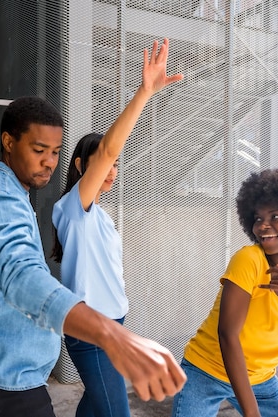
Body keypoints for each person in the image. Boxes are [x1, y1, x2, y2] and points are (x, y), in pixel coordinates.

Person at [0, 38, 187, 417]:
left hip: (24, 362)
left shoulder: (14, 197)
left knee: (99, 405)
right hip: (6, 369)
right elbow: (21, 275)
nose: (49, 162)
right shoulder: (41, 203)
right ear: (8, 142)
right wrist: (144, 93)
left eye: (54, 152)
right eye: (39, 150)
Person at [51, 38, 183, 417]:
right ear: (80, 166)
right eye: (103, 164)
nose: (111, 170)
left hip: (115, 323)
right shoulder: (74, 207)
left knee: (97, 406)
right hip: (92, 331)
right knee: (115, 412)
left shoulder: (100, 215)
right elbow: (109, 147)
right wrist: (143, 93)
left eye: (115, 166)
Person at [171, 168, 278, 417]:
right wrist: (252, 413)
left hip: (260, 380)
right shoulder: (248, 260)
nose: (263, 226)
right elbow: (228, 335)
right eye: (258, 218)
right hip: (205, 370)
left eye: (276, 216)